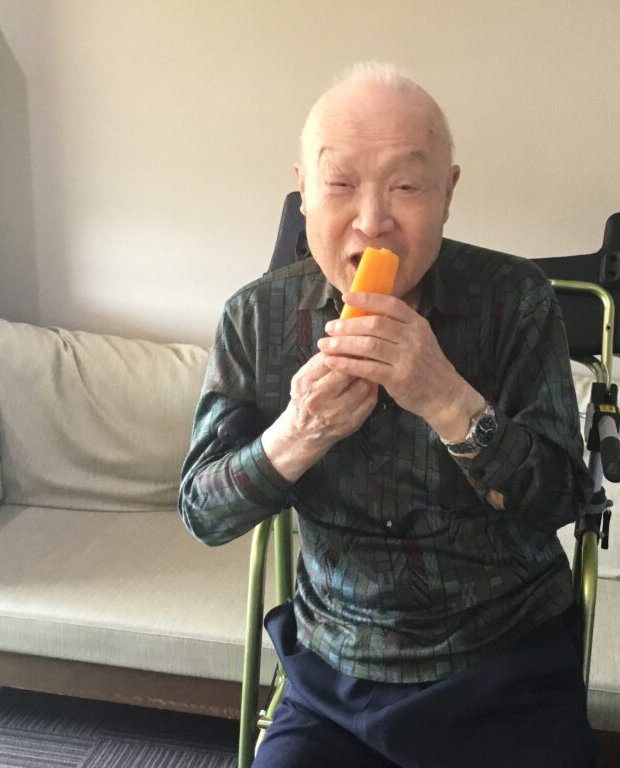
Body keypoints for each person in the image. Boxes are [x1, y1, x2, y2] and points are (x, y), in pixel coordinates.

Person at [179, 61, 597, 767]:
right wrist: (298, 433)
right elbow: (203, 513)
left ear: (448, 193)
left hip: (504, 659)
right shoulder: (256, 319)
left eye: (405, 186)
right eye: (340, 184)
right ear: (304, 193)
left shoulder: (516, 300)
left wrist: (448, 399)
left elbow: (559, 500)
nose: (373, 221)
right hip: (332, 672)